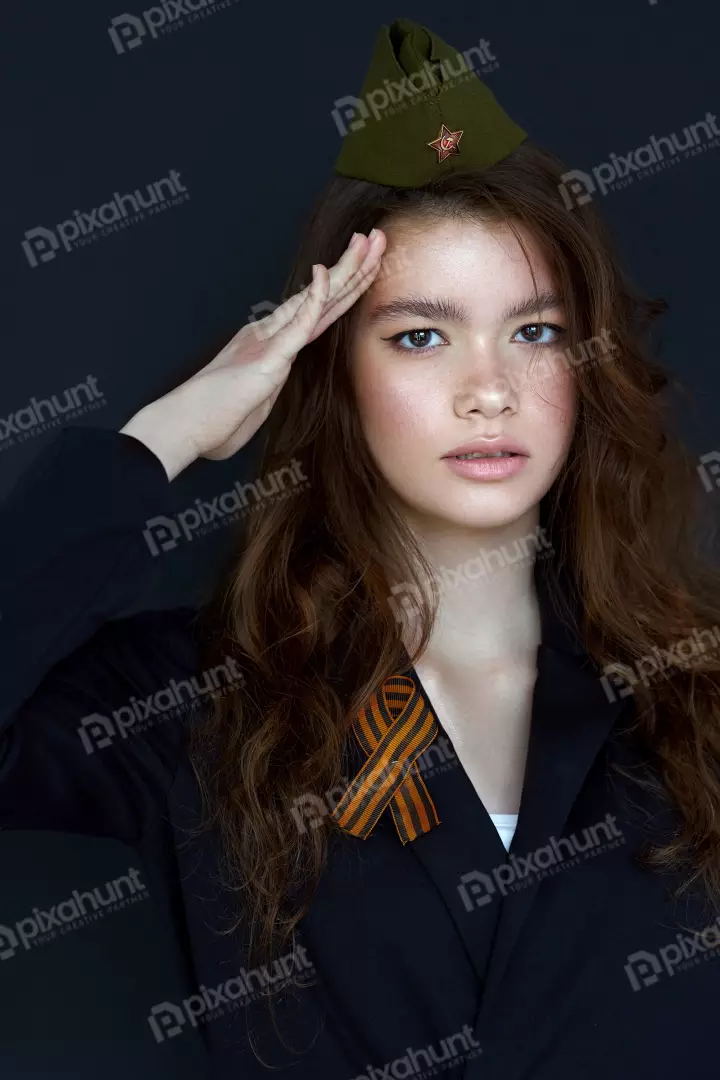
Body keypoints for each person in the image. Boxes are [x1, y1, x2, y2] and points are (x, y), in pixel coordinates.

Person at [2, 15, 720, 1080]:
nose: (489, 388)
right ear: (332, 373)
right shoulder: (202, 702)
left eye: (536, 331)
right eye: (420, 335)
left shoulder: (693, 698)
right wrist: (162, 439)